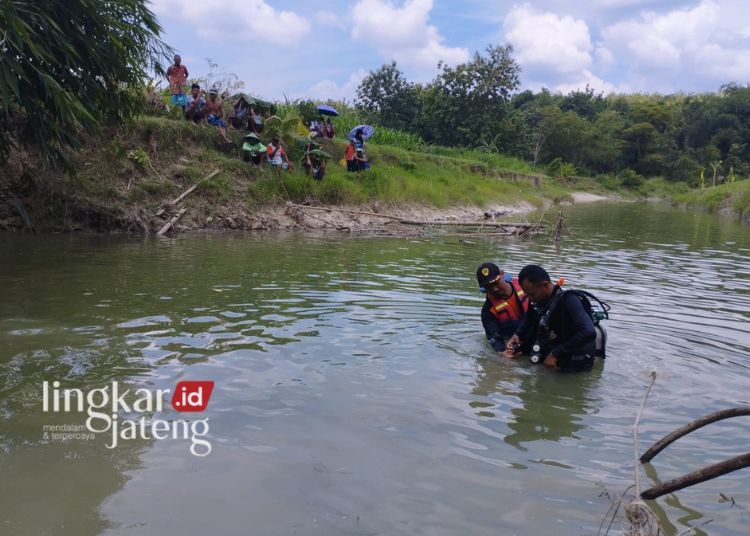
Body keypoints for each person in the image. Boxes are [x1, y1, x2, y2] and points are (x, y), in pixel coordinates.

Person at [504, 265, 597, 372]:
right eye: (527, 294)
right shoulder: (536, 301)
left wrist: (555, 354)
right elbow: (528, 318)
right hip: (552, 356)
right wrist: (517, 334)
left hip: (574, 362)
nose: (529, 298)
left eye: (532, 294)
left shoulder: (569, 300)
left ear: (545, 285)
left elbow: (589, 331)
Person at [477, 262, 529, 354]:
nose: (495, 289)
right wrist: (502, 352)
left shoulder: (526, 287)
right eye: (489, 286)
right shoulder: (487, 311)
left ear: (502, 274)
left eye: (496, 282)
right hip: (514, 342)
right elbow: (493, 337)